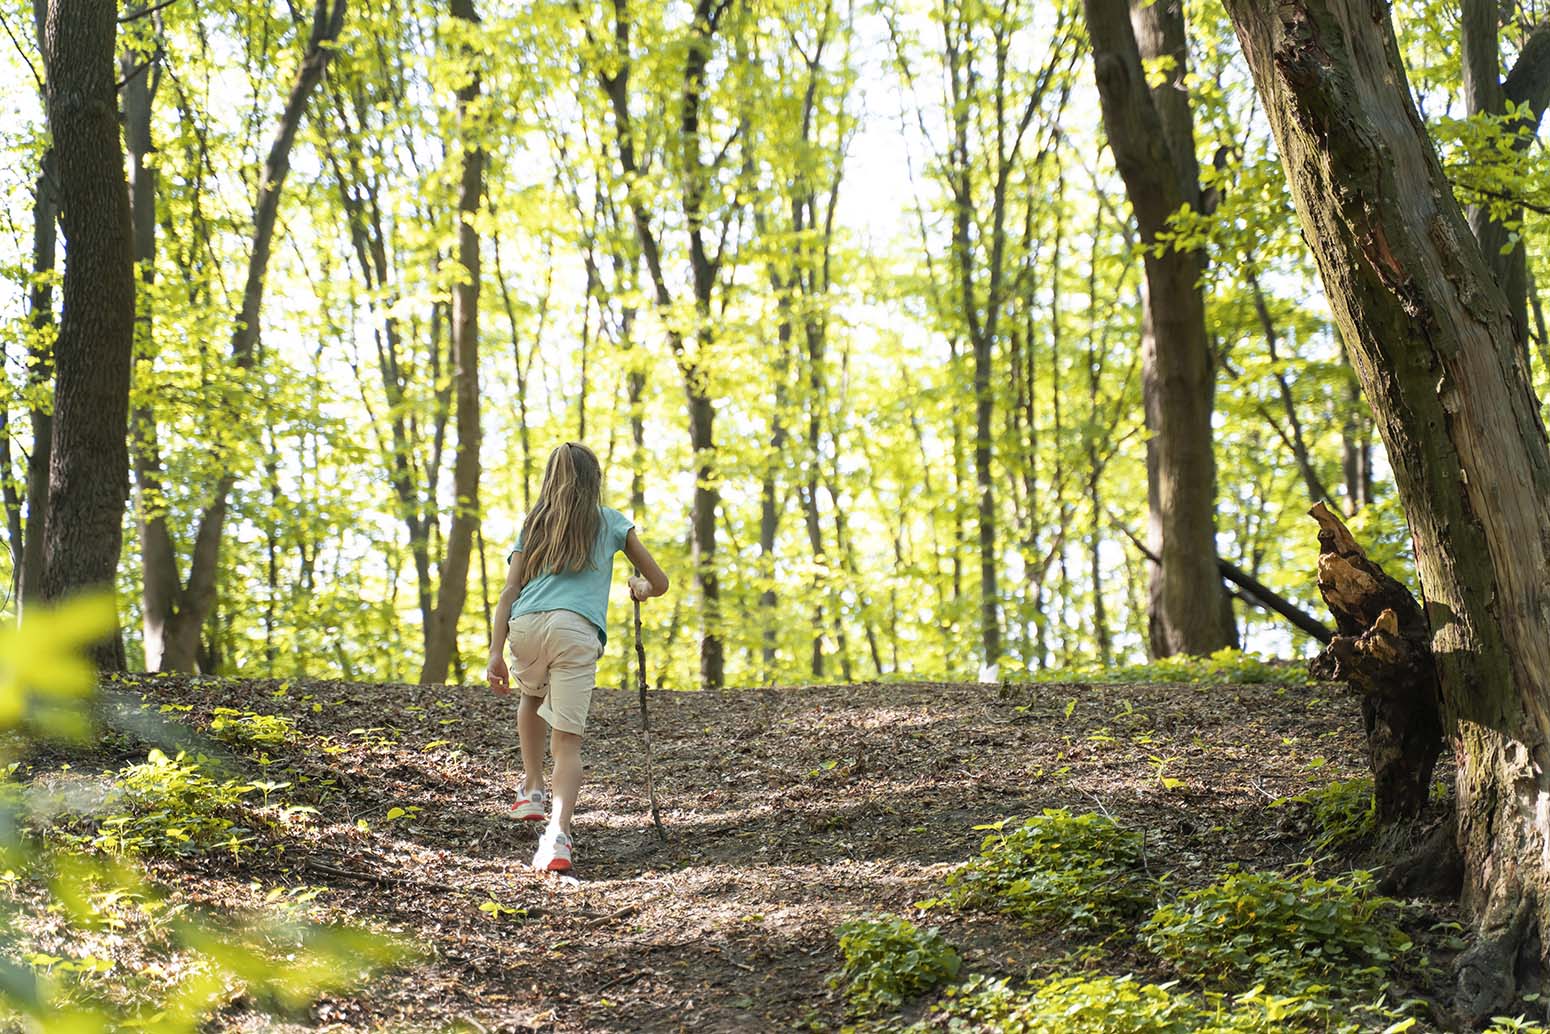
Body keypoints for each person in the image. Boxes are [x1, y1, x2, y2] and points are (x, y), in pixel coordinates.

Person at [487, 442, 669, 872]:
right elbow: (657, 581)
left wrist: (496, 651)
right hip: (575, 629)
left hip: (526, 624)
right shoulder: (609, 521)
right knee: (567, 742)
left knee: (530, 698)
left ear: (551, 478)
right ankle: (557, 838)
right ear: (595, 480)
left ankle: (531, 788)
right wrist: (639, 588)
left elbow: (509, 591)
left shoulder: (535, 524)